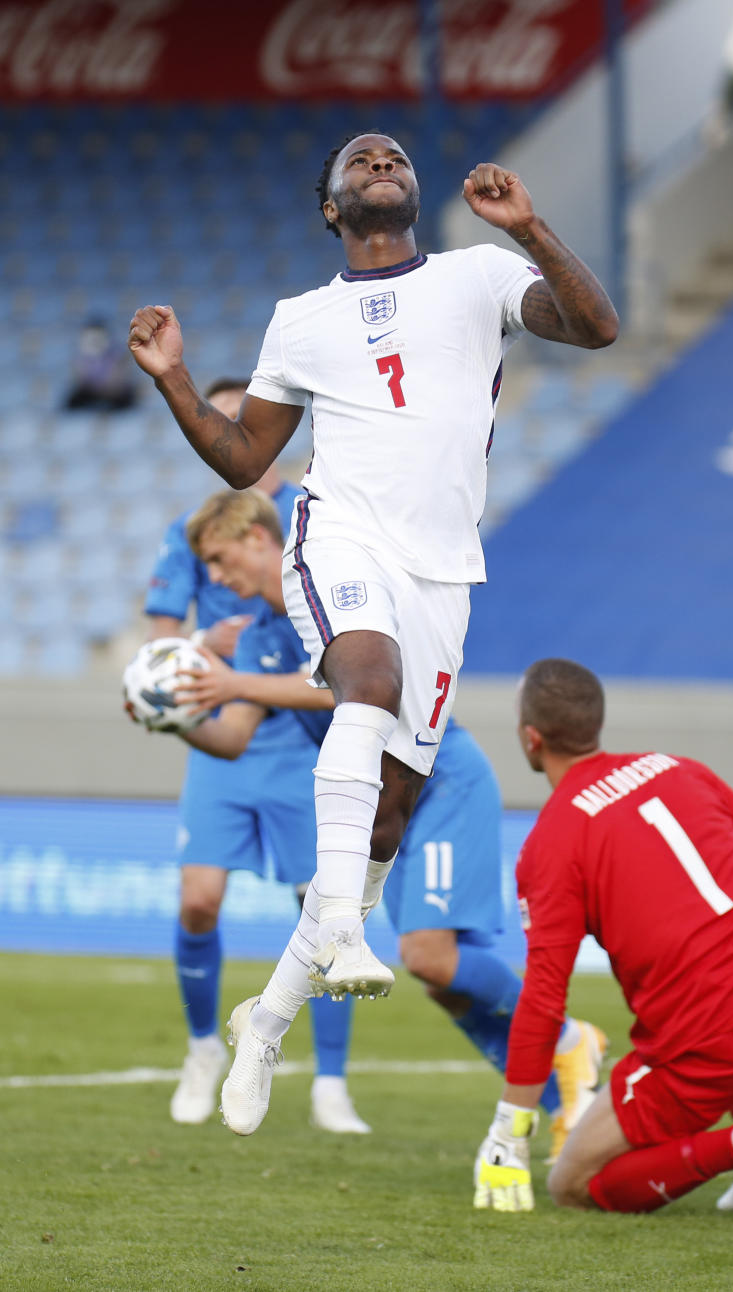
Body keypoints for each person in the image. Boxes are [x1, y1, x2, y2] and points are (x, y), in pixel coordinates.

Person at [127, 134, 620, 1092]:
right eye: (361, 160)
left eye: (394, 156)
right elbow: (242, 460)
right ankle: (344, 927)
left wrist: (531, 229)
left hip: (442, 568)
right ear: (332, 207)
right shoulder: (300, 320)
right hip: (341, 533)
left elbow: (596, 327)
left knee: (387, 823)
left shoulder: (481, 274)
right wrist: (173, 378)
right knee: (368, 678)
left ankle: (265, 1021)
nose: (382, 161)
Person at [174, 488, 608, 1146]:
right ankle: (558, 1099)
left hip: (437, 782)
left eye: (218, 555)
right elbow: (233, 735)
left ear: (259, 540)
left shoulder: (336, 597)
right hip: (374, 811)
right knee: (444, 978)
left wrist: (236, 682)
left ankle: (572, 1040)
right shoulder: (259, 636)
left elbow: (360, 683)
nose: (212, 575)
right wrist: (174, 718)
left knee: (431, 957)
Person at [473, 658, 733, 1230]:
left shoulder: (552, 844)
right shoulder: (678, 768)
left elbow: (543, 999)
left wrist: (510, 1129)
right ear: (596, 723)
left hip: (711, 1041)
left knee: (573, 1182)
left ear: (530, 737)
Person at [142, 379, 368, 1134]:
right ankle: (204, 1046)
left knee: (321, 905)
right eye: (219, 420)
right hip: (230, 714)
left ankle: (329, 1082)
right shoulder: (192, 527)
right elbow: (160, 640)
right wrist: (194, 662)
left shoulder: (316, 512)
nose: (231, 431)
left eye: (244, 418)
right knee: (199, 899)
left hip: (298, 734)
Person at [64, 316, 138, 411]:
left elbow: (117, 383)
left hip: (116, 397)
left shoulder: (118, 355)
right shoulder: (80, 356)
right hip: (91, 395)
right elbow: (79, 380)